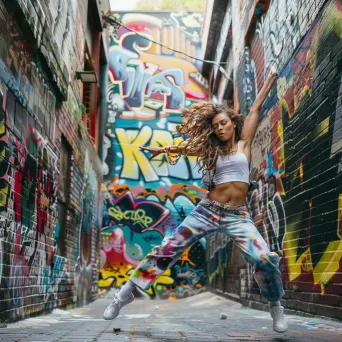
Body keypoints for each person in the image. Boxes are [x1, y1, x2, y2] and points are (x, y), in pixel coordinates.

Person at [103, 72, 288, 333]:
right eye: (216, 126)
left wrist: (269, 79)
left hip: (238, 216)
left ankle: (276, 306)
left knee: (265, 258)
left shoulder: (244, 144)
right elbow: (185, 147)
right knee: (167, 249)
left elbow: (256, 107)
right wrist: (163, 150)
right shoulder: (211, 150)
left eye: (224, 123)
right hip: (207, 212)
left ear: (233, 124)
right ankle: (124, 294)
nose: (220, 128)